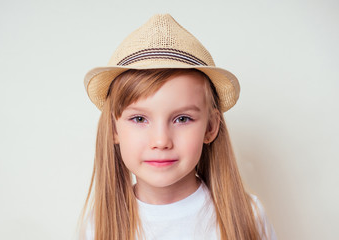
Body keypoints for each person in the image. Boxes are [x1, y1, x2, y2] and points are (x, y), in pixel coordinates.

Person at [79, 14, 277, 240]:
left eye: (182, 119)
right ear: (114, 130)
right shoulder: (98, 226)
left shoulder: (247, 216)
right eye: (139, 119)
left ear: (211, 127)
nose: (161, 141)